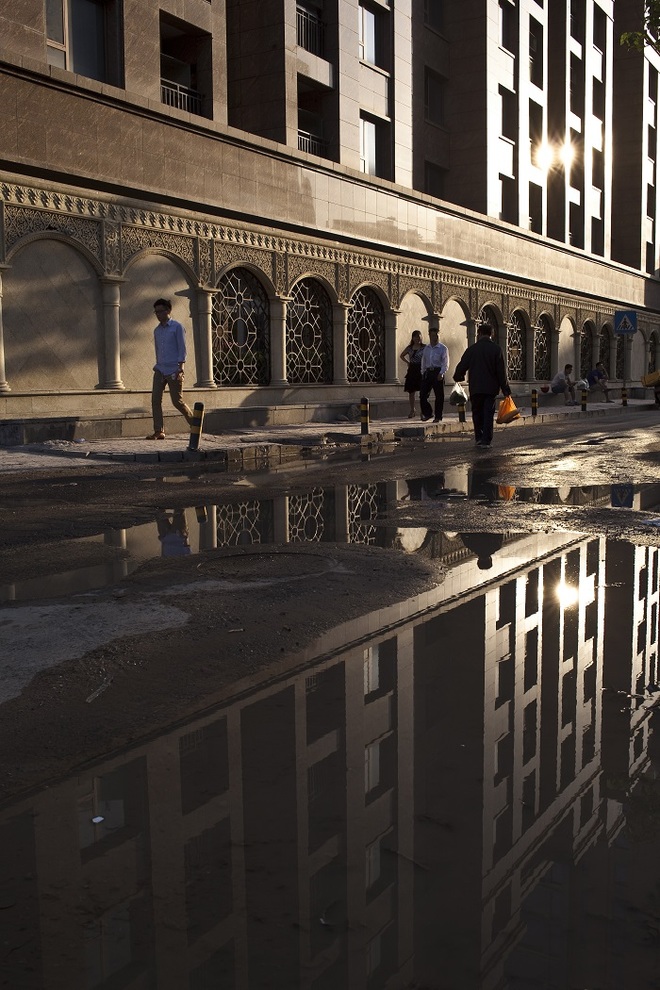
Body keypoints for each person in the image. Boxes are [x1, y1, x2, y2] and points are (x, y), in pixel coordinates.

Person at [453, 322, 511, 448]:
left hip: (476, 387)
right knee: (488, 414)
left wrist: (458, 377)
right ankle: (486, 440)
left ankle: (478, 438)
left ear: (479, 334)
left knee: (477, 413)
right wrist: (506, 389)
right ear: (492, 334)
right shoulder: (496, 349)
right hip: (490, 389)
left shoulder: (472, 349)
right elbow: (501, 372)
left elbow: (462, 366)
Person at [147, 298, 194, 439]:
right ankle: (159, 431)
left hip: (174, 369)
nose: (158, 315)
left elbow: (182, 348)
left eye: (160, 311)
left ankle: (195, 424)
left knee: (177, 401)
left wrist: (180, 368)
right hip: (160, 369)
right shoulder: (157, 331)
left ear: (168, 311)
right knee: (155, 400)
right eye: (156, 312)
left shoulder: (177, 327)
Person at [419, 328, 449, 422]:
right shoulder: (426, 348)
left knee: (439, 396)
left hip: (438, 372)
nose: (434, 337)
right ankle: (428, 413)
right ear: (429, 336)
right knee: (423, 394)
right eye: (432, 335)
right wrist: (423, 372)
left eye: (436, 335)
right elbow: (424, 361)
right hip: (428, 372)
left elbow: (445, 362)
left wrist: (442, 373)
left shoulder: (443, 348)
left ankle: (438, 416)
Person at [400, 330, 425, 418]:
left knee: (423, 391)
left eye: (418, 336)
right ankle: (412, 410)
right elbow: (402, 355)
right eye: (415, 336)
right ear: (412, 338)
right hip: (412, 370)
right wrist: (408, 362)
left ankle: (423, 410)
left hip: (421, 369)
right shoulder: (409, 348)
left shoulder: (424, 347)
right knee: (411, 391)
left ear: (421, 337)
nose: (417, 338)